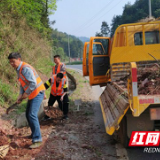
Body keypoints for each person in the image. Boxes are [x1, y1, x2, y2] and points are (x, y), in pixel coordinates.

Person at [8, 52, 45, 149]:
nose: (11, 64)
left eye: (13, 61)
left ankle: (37, 139)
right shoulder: (18, 69)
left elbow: (32, 83)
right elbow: (23, 83)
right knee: (28, 114)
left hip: (37, 92)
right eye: (10, 62)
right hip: (33, 93)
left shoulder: (25, 68)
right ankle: (34, 134)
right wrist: (20, 94)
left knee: (32, 114)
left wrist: (25, 94)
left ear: (19, 59)